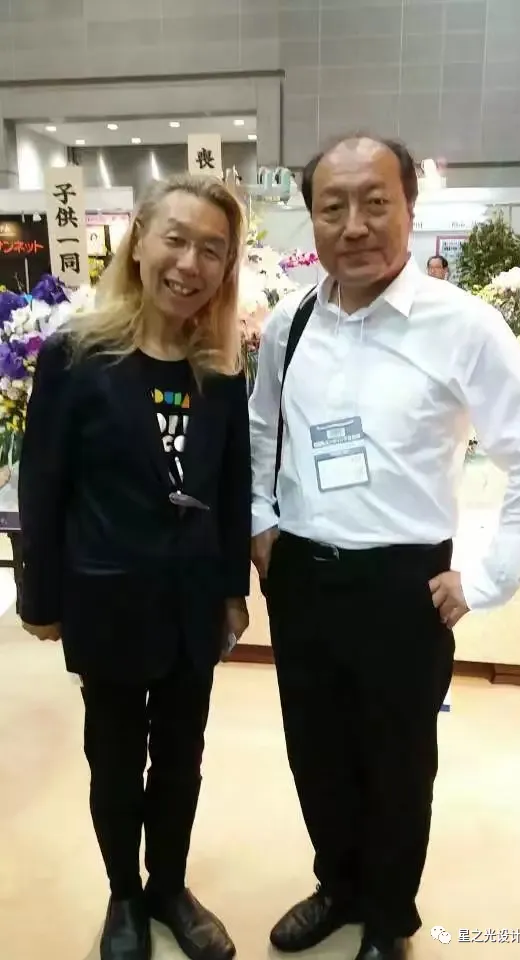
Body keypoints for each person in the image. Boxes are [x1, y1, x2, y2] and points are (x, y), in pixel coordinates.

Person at [249, 134, 520, 960]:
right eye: (332, 207)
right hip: (303, 576)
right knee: (316, 751)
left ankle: (388, 916)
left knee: (399, 761)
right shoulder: (290, 323)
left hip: (402, 586)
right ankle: (337, 886)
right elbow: (261, 430)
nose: (354, 226)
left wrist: (486, 578)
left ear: (410, 208)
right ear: (312, 219)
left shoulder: (464, 327)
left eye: (375, 203)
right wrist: (261, 524)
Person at [19, 173, 251, 960]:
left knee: (182, 759)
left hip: (192, 605)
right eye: (176, 240)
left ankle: (169, 887)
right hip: (107, 599)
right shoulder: (77, 356)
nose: (190, 264)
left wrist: (232, 590)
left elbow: (232, 489)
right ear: (140, 242)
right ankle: (124, 894)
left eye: (212, 250)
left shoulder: (221, 369)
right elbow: (42, 485)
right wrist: (39, 597)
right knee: (115, 760)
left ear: (227, 268)